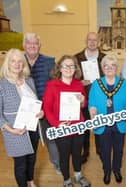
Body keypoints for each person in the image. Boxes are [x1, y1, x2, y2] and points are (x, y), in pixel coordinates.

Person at [43, 55, 91, 187]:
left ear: (76, 69)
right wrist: (57, 124)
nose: (69, 68)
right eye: (66, 65)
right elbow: (46, 108)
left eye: (72, 66)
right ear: (59, 68)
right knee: (64, 156)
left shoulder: (78, 84)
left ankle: (78, 176)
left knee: (77, 153)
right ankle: (66, 180)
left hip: (78, 126)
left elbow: (84, 104)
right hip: (62, 128)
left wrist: (83, 101)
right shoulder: (52, 85)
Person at [88, 54, 126, 185]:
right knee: (105, 149)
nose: (109, 68)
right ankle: (107, 171)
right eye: (106, 65)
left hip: (120, 123)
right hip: (103, 123)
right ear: (102, 68)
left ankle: (116, 170)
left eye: (112, 65)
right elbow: (92, 103)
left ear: (116, 67)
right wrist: (93, 112)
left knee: (119, 149)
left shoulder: (124, 83)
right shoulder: (96, 84)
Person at [0, 49, 44, 187]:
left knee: (32, 158)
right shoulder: (2, 84)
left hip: (33, 127)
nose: (17, 64)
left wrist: (40, 112)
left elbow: (36, 102)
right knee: (20, 164)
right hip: (14, 131)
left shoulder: (29, 81)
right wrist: (10, 129)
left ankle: (30, 182)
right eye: (13, 61)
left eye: (20, 61)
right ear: (7, 64)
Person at [23, 32, 60, 173]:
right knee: (28, 142)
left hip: (46, 109)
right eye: (29, 43)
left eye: (35, 43)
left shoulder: (49, 61)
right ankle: (27, 171)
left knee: (52, 141)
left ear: (39, 46)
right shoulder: (18, 60)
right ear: (24, 45)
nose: (32, 46)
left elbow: (56, 84)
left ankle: (57, 164)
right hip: (25, 111)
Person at [75, 32, 106, 163]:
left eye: (95, 40)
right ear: (85, 41)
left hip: (100, 98)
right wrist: (80, 82)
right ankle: (85, 151)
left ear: (99, 42)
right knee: (85, 126)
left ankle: (100, 150)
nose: (92, 42)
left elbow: (109, 76)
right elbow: (71, 78)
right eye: (90, 40)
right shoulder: (77, 57)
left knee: (99, 125)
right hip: (83, 98)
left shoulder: (104, 58)